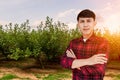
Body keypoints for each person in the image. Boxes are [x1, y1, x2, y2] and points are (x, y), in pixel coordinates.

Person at [61, 9, 109, 80]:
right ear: (78, 25)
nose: (85, 25)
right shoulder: (73, 43)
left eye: (89, 21)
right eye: (82, 21)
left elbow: (99, 70)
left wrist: (75, 62)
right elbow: (64, 62)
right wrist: (89, 61)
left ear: (94, 23)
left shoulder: (102, 42)